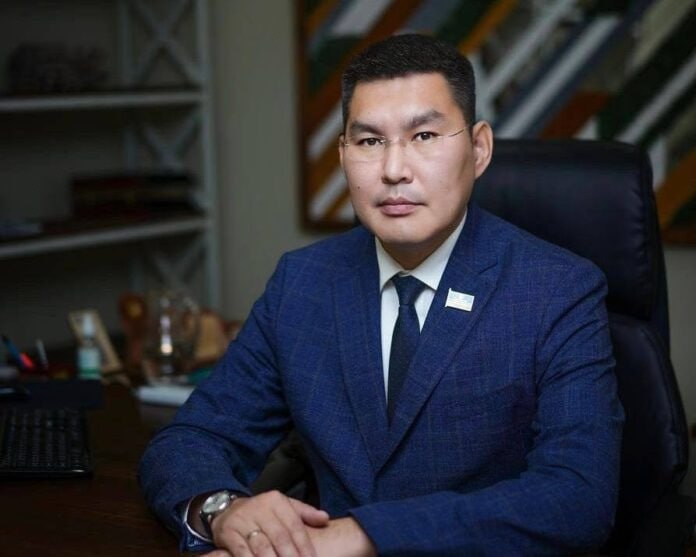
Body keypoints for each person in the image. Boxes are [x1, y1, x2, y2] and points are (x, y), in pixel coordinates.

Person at [139, 34, 623, 556]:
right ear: (343, 154)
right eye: (369, 142)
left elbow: (577, 497)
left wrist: (362, 535)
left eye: (424, 136)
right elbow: (190, 439)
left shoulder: (556, 290)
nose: (394, 170)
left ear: (479, 148)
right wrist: (223, 510)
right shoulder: (303, 283)